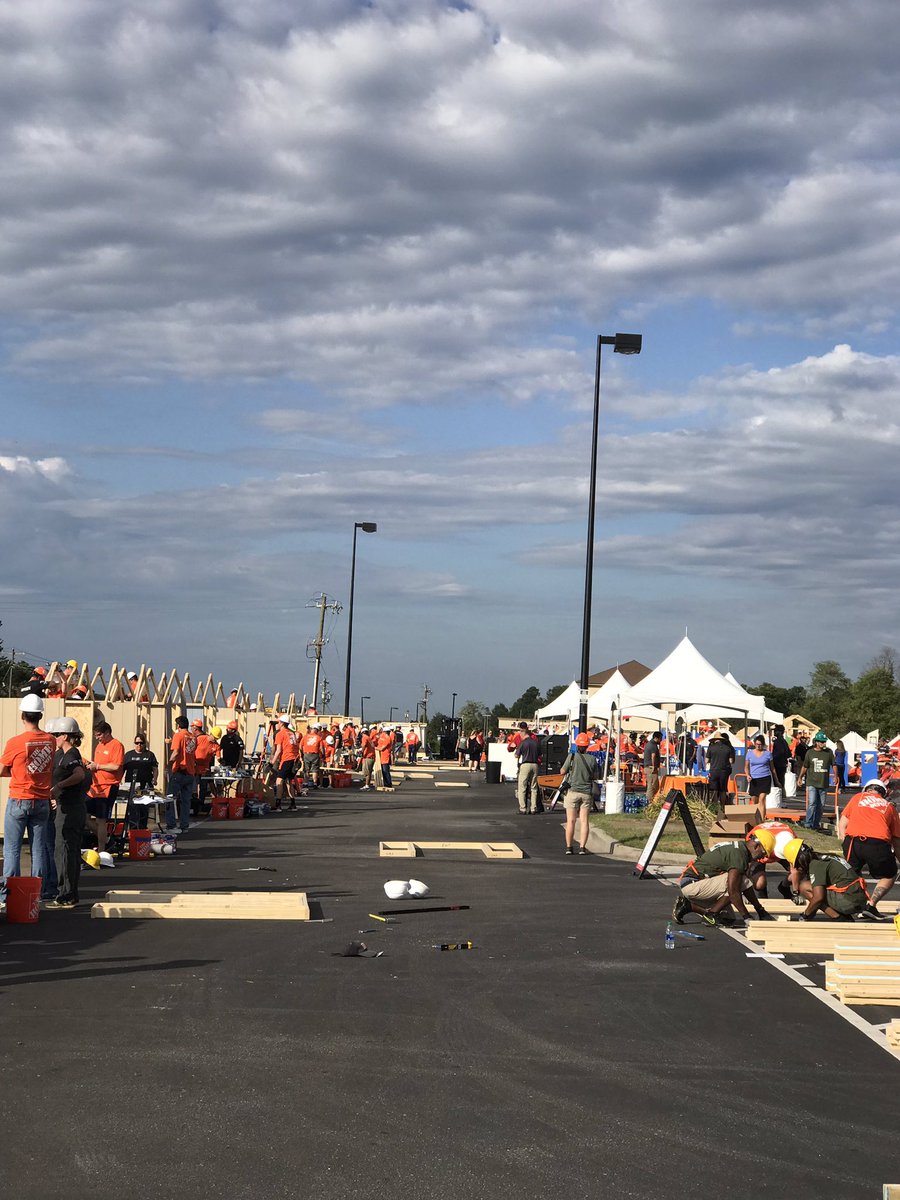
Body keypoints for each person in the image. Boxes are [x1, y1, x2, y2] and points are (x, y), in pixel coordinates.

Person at [0, 694, 56, 912]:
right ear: (40, 715)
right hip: (41, 800)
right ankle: (37, 893)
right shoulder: (50, 740)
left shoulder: (15, 742)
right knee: (38, 848)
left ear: (23, 715)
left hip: (19, 799)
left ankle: (8, 895)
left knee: (13, 849)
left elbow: (3, 769)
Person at [672, 833, 773, 927]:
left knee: (727, 918)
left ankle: (688, 906)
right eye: (763, 853)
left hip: (698, 883)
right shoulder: (738, 855)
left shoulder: (739, 848)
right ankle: (711, 915)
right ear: (756, 846)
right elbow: (733, 892)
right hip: (693, 884)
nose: (762, 858)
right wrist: (747, 917)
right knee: (738, 881)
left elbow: (744, 888)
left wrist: (760, 910)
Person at [837, 778, 900, 921]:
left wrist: (844, 844)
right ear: (882, 793)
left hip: (853, 840)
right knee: (889, 874)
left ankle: (851, 905)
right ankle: (871, 905)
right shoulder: (889, 806)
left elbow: (842, 824)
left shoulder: (857, 798)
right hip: (877, 842)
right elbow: (896, 840)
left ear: (866, 789)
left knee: (852, 874)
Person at [46, 716, 89, 907]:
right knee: (62, 849)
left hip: (71, 808)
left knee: (65, 849)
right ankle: (67, 892)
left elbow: (79, 775)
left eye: (56, 735)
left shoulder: (71, 754)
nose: (54, 738)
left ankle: (67, 894)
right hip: (65, 806)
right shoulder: (59, 754)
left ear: (64, 735)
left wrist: (58, 788)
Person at [782, 838, 868, 920]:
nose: (799, 868)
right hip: (859, 898)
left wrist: (806, 914)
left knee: (804, 887)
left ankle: (838, 917)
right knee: (815, 887)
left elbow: (818, 897)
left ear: (800, 860)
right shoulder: (825, 857)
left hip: (849, 901)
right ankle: (842, 915)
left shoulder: (816, 864)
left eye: (797, 865)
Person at [85, 722, 124, 854]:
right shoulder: (99, 746)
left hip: (108, 787)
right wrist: (90, 765)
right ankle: (106, 839)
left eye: (99, 735)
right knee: (83, 814)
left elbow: (116, 766)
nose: (98, 737)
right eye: (96, 735)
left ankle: (102, 850)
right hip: (95, 786)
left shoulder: (116, 745)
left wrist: (97, 766)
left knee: (101, 819)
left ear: (107, 733)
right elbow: (98, 765)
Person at [560, 732, 599, 854]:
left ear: (577, 745)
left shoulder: (571, 756)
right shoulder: (592, 759)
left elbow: (562, 772)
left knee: (571, 821)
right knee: (584, 821)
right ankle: (582, 847)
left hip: (572, 791)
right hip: (586, 792)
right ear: (587, 746)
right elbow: (596, 776)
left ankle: (569, 847)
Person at [797, 731, 835, 832]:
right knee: (812, 803)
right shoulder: (810, 752)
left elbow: (834, 765)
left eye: (824, 742)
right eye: (821, 742)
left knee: (821, 805)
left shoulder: (829, 752)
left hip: (823, 783)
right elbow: (805, 766)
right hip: (812, 782)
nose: (823, 744)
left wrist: (836, 776)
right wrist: (800, 777)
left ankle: (815, 823)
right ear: (816, 742)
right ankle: (808, 823)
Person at [122, 732, 159, 829]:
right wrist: (118, 781)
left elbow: (155, 768)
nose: (139, 745)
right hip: (132, 786)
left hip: (145, 786)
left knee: (144, 808)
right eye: (137, 743)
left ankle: (143, 828)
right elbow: (122, 769)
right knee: (133, 808)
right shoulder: (128, 755)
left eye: (141, 743)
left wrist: (155, 779)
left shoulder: (150, 755)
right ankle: (133, 829)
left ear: (144, 744)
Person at [167, 715, 197, 833]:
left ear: (178, 726)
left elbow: (176, 752)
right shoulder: (192, 737)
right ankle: (184, 826)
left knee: (170, 798)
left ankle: (171, 825)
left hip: (179, 771)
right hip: (190, 772)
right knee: (186, 801)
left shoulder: (178, 735)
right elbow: (187, 749)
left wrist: (169, 764)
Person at [745, 734, 780, 819]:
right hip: (754, 779)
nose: (758, 746)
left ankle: (762, 820)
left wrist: (777, 781)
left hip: (765, 778)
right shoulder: (749, 754)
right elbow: (746, 767)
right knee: (754, 801)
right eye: (757, 744)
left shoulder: (768, 754)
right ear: (754, 744)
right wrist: (747, 775)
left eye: (760, 744)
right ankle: (754, 819)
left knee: (762, 799)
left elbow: (772, 768)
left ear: (763, 744)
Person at [271, 715, 300, 811]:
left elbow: (278, 750)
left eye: (279, 722)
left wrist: (272, 762)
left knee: (279, 781)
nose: (278, 724)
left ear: (282, 723)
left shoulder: (280, 734)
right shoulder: (291, 733)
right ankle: (292, 803)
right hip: (295, 759)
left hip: (287, 759)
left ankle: (278, 804)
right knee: (289, 781)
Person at [513, 722, 541, 814]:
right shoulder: (535, 742)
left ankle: (523, 808)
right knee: (534, 787)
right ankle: (533, 808)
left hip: (525, 764)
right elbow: (540, 754)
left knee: (522, 787)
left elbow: (516, 755)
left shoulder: (522, 743)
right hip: (535, 764)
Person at [706, 729, 735, 809]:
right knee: (723, 790)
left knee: (714, 790)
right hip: (724, 771)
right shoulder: (728, 748)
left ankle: (715, 807)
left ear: (714, 740)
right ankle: (722, 807)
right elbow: (731, 761)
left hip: (714, 770)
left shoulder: (711, 747)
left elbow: (706, 760)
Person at [643, 731, 663, 806]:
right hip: (651, 767)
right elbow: (653, 756)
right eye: (660, 738)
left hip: (649, 767)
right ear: (656, 738)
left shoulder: (649, 744)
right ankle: (649, 802)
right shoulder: (653, 745)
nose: (661, 740)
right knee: (652, 785)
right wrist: (654, 766)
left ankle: (651, 800)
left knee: (655, 785)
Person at [301, 724, 323, 788]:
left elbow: (300, 746)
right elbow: (321, 748)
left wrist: (302, 753)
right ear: (316, 730)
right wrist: (322, 755)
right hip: (315, 754)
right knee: (315, 770)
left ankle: (305, 783)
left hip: (306, 754)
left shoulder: (305, 736)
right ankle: (315, 783)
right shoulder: (318, 737)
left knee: (306, 769)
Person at [359, 726, 376, 790]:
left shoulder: (364, 737)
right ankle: (367, 784)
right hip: (372, 757)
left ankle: (366, 785)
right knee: (369, 772)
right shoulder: (369, 738)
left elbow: (364, 745)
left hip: (368, 757)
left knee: (366, 772)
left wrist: (361, 752)